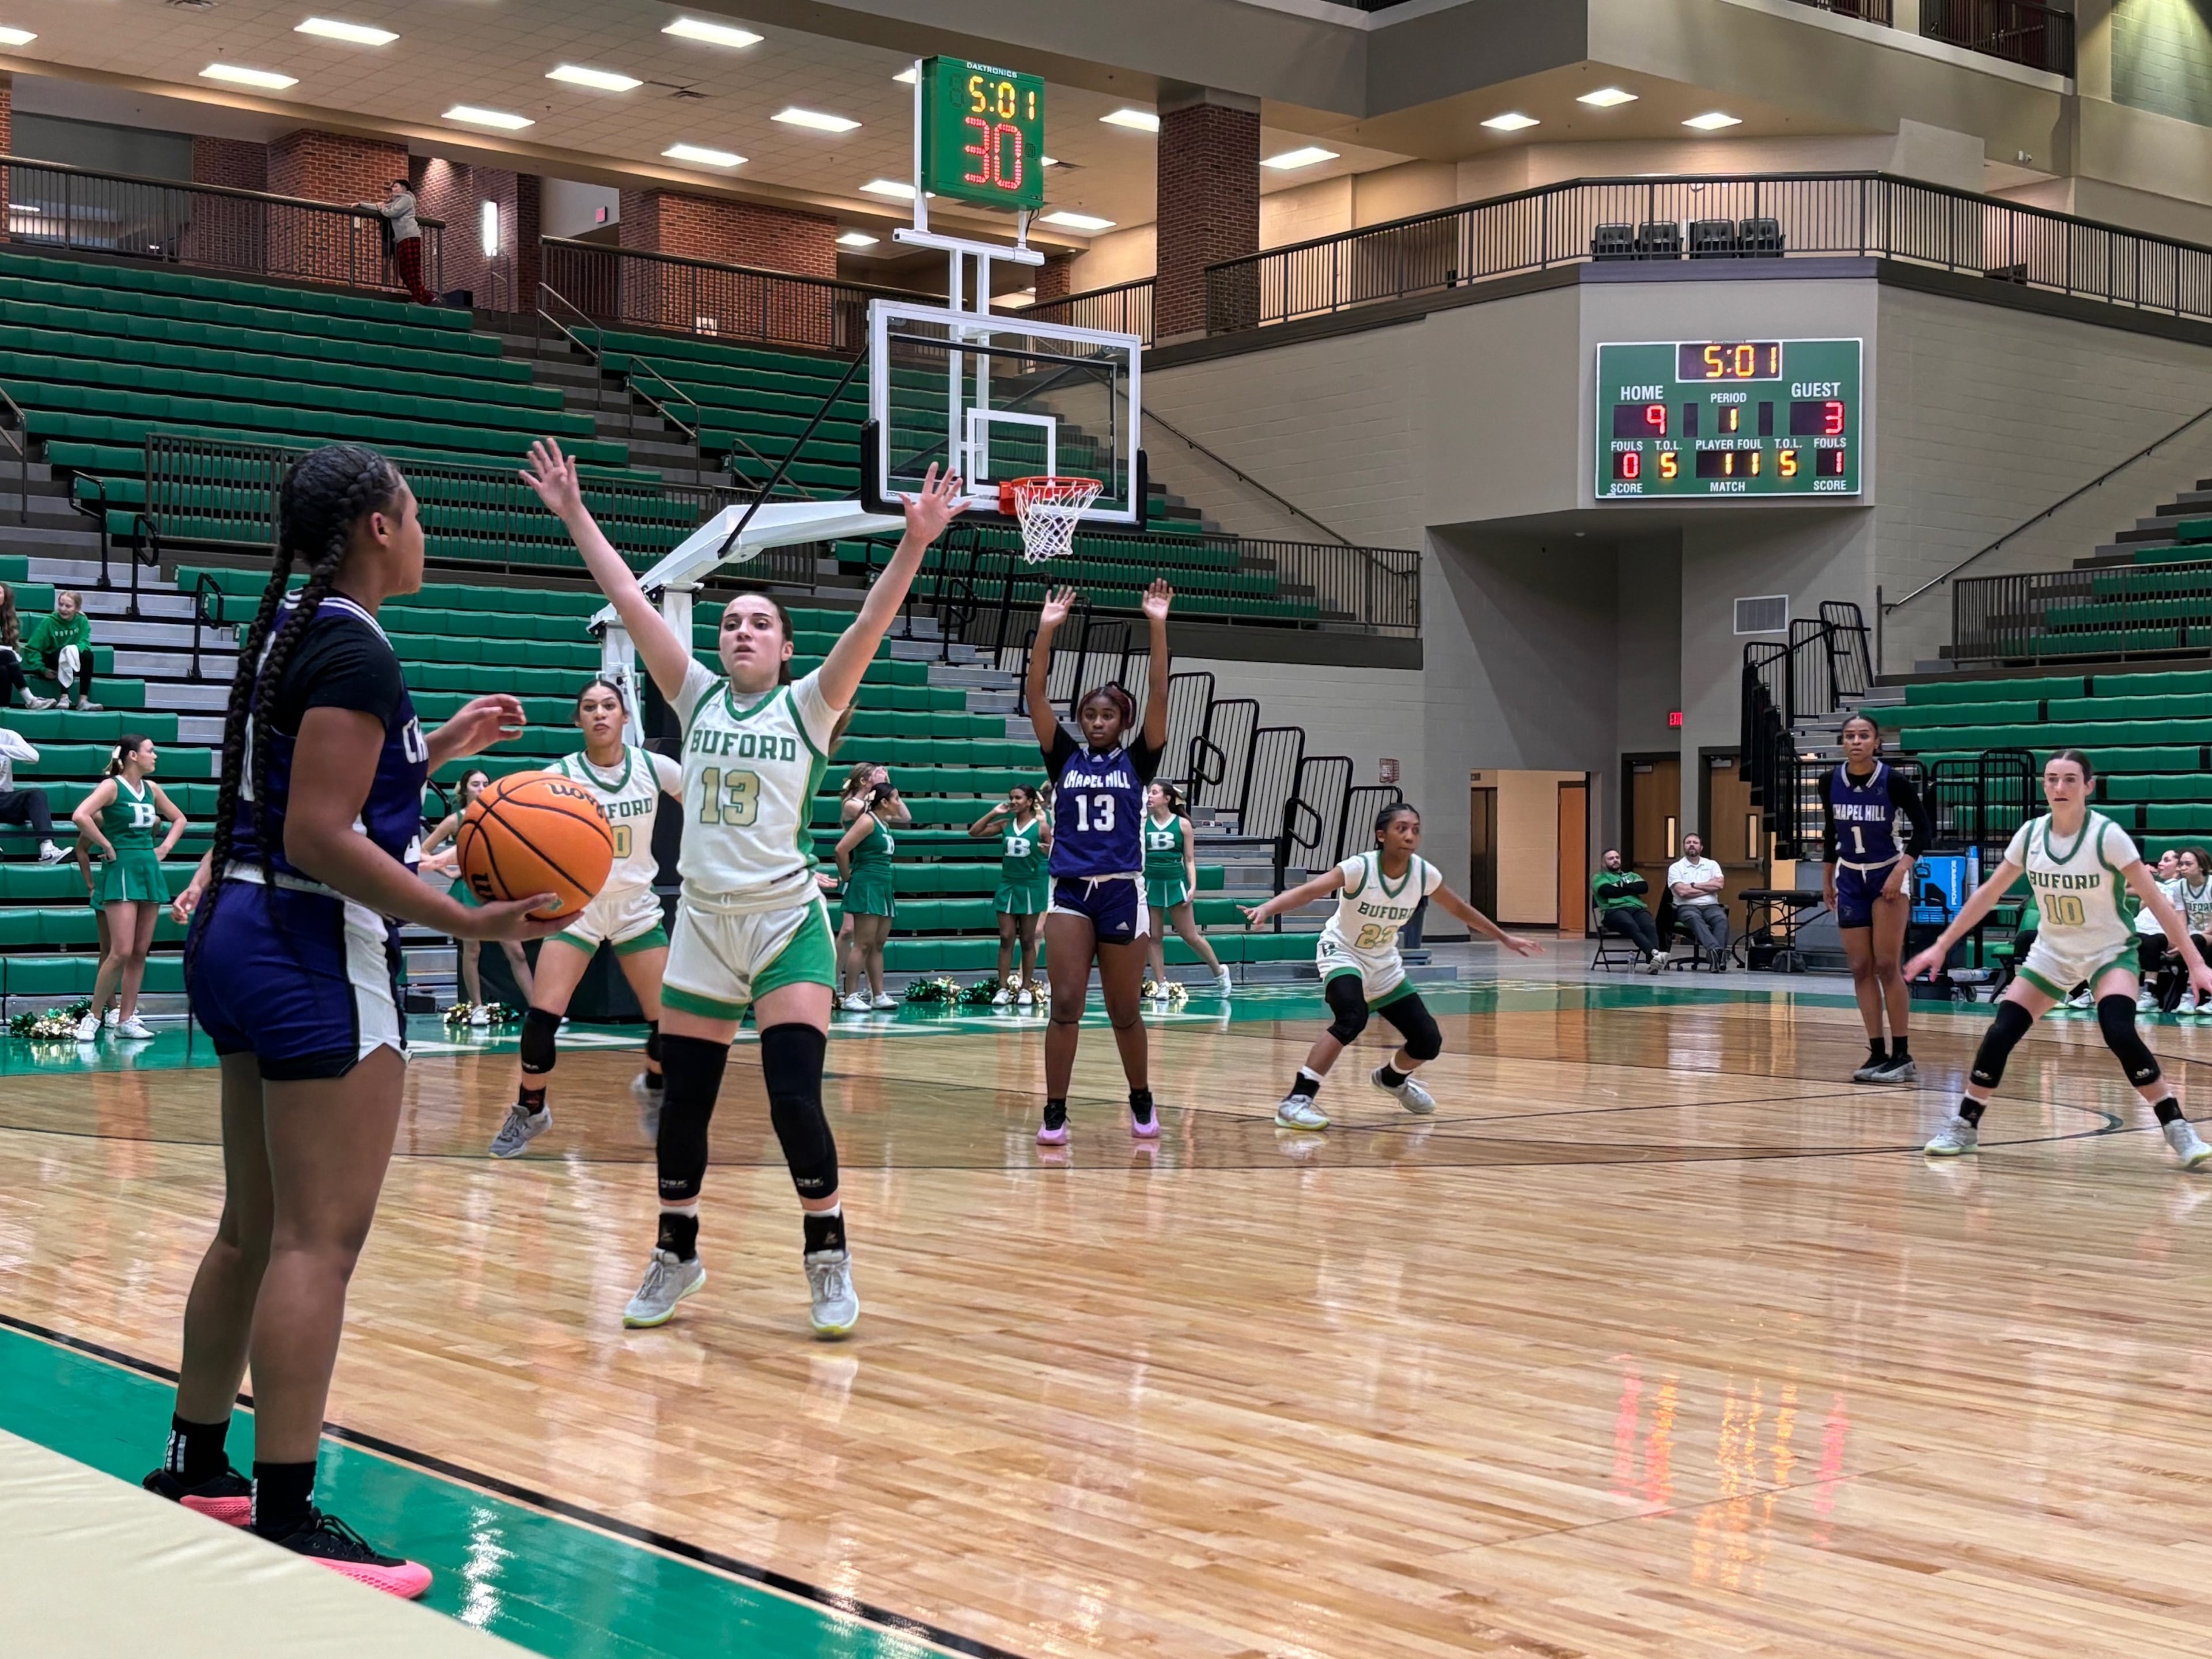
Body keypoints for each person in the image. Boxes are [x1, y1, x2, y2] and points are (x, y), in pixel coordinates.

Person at [141, 443, 547, 1596]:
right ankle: (286, 1510)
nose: (423, 531)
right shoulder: (352, 645)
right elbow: (324, 835)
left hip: (237, 930)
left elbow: (310, 788)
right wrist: (465, 926)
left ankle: (200, 1466)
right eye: (414, 513)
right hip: (308, 940)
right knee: (322, 1241)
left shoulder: (292, 624)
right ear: (377, 525)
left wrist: (443, 745)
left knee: (253, 1229)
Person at [524, 436, 965, 1334]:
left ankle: (828, 1253)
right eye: (731, 623)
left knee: (793, 1094)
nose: (741, 631)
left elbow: (870, 625)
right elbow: (625, 596)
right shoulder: (692, 697)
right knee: (684, 1102)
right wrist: (574, 513)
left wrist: (915, 541)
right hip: (705, 928)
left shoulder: (810, 704)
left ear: (786, 646)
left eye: (759, 622)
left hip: (783, 923)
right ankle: (676, 1253)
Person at [1908, 749, 2212, 1165]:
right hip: (2053, 953)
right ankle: (1964, 1126)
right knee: (2001, 1032)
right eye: (2052, 779)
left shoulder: (2106, 836)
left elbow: (2158, 902)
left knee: (2119, 1032)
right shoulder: (2032, 835)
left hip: (2109, 954)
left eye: (2070, 779)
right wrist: (1942, 944)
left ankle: (2179, 1130)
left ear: (2088, 786)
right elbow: (1988, 894)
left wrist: (2196, 963)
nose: (2059, 787)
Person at [1245, 802, 1539, 1130]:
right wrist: (1266, 909)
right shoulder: (1360, 868)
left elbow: (1461, 909)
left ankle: (1391, 1079)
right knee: (1352, 1018)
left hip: (1384, 962)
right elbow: (1309, 892)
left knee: (1428, 1041)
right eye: (1402, 828)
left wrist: (1504, 938)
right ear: (1381, 835)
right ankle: (1297, 1100)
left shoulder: (1424, 874)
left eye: (1415, 829)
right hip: (1342, 952)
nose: (1410, 835)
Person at [487, 679, 685, 1159]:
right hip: (578, 907)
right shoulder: (560, 776)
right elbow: (515, 830)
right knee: (541, 1019)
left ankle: (656, 1092)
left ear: (624, 717)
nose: (600, 714)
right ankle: (531, 1109)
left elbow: (706, 805)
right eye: (590, 707)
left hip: (637, 906)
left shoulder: (656, 768)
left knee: (668, 1025)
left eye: (609, 706)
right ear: (578, 720)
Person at [1027, 581, 1174, 1146]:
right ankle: (1055, 1108)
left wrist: (1157, 622)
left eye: (1107, 714)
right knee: (1065, 1004)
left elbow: (1160, 693)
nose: (1096, 720)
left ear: (1122, 720)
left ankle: (1140, 1096)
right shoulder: (1063, 757)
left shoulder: (1139, 761)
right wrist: (1047, 627)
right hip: (1069, 891)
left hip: (1122, 891)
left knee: (1122, 1011)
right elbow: (1036, 693)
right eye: (1089, 713)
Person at [1822, 714, 1935, 1084]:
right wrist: (1828, 878)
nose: (1856, 741)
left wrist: (1901, 871)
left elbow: (1924, 831)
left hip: (1888, 873)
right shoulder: (1829, 781)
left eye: (1863, 735)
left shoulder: (1894, 781)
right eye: (1849, 736)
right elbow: (1829, 833)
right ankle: (1877, 1051)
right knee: (1859, 967)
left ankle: (1902, 1053)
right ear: (1843, 743)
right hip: (1850, 876)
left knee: (1887, 964)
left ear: (1876, 743)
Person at [70, 734, 187, 1039]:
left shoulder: (152, 789)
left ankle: (126, 1019)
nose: (155, 756)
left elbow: (180, 819)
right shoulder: (112, 786)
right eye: (151, 751)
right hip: (120, 869)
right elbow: (80, 815)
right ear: (133, 755)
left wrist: (164, 849)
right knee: (119, 951)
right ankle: (94, 1017)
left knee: (139, 952)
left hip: (148, 868)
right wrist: (106, 843)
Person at [420, 767, 535, 1024]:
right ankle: (478, 1007)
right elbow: (424, 851)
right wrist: (449, 873)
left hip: (496, 890)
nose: (482, 788)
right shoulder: (455, 821)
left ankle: (539, 1011)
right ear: (464, 789)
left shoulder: (500, 816)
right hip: (468, 891)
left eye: (485, 783)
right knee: (472, 952)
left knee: (516, 952)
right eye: (475, 784)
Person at [1141, 780, 1230, 1001]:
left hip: (1175, 884)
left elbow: (1189, 859)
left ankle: (1220, 972)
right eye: (1148, 793)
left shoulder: (1182, 825)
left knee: (1190, 936)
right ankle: (1161, 983)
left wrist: (1192, 887)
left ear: (1167, 798)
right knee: (1154, 937)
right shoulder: (1143, 824)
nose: (1149, 797)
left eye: (1154, 792)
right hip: (1150, 883)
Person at [970, 783, 1051, 1006]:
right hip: (1008, 886)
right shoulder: (1005, 823)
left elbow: (1055, 853)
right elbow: (974, 832)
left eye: (1018, 798)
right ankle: (1003, 988)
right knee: (1006, 938)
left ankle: (1025, 988)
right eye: (1011, 798)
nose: (1013, 802)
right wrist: (994, 813)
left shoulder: (1041, 826)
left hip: (1031, 887)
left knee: (1027, 940)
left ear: (1030, 801)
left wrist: (1047, 851)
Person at [834, 776, 899, 1011]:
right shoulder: (867, 821)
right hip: (867, 884)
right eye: (896, 798)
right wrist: (847, 878)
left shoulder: (884, 823)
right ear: (883, 802)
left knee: (878, 943)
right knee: (862, 943)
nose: (899, 802)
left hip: (883, 884)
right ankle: (850, 995)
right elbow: (841, 850)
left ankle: (878, 994)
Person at [2144, 847, 2212, 1016]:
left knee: (2195, 941)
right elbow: (2181, 918)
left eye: (2188, 864)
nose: (2182, 867)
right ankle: (2149, 992)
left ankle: (2191, 995)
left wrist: (2186, 944)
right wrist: (2179, 941)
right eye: (2181, 864)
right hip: (2194, 934)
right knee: (2157, 940)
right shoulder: (2180, 887)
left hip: (2209, 933)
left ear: (2202, 867)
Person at [355, 178, 433, 306]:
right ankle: (425, 297)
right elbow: (379, 207)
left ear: (403, 188)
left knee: (412, 269)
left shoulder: (406, 199)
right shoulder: (395, 201)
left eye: (395, 187)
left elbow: (392, 213)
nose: (393, 189)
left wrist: (382, 209)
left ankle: (420, 298)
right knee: (405, 270)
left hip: (410, 236)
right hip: (403, 238)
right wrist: (360, 204)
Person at [1591, 849, 1664, 972]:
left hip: (1637, 909)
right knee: (1630, 924)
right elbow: (1607, 891)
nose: (1615, 860)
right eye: (1611, 858)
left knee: (1649, 924)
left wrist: (1620, 886)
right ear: (1604, 864)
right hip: (1613, 911)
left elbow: (1644, 887)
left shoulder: (1631, 875)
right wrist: (1632, 889)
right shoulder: (1599, 877)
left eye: (1617, 857)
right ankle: (1655, 954)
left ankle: (1653, 963)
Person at [23, 588, 97, 711]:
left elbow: (84, 641)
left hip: (73, 659)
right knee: (65, 652)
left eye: (68, 606)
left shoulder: (82, 621)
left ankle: (83, 701)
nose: (63, 609)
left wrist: (75, 650)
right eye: (61, 605)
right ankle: (64, 697)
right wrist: (42, 669)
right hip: (51, 660)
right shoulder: (49, 622)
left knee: (88, 655)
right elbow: (31, 648)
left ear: (77, 609)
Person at [0, 724, 64, 862]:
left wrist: (2, 749)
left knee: (36, 795)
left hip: (5, 800)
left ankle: (48, 850)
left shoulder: (6, 736)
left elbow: (33, 757)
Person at [1666, 832, 1730, 970]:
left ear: (1701, 847)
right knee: (1694, 918)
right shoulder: (1676, 868)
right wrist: (1708, 887)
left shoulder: (1712, 865)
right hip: (1686, 907)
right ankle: (1716, 952)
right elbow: (1682, 892)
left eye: (1695, 843)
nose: (1691, 845)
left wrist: (1693, 885)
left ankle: (1715, 957)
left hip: (1711, 906)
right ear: (1684, 847)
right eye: (1688, 842)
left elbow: (1719, 885)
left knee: (1721, 918)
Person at [2133, 848, 2183, 1014]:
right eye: (2161, 860)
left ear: (2179, 866)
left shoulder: (2183, 886)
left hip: (2162, 931)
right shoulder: (2154, 885)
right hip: (2139, 926)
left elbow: (2177, 910)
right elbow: (2120, 886)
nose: (2160, 864)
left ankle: (2149, 994)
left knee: (2151, 941)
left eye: (2167, 860)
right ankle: (2087, 991)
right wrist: (2141, 875)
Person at [0, 581, 55, 710]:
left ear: (5, 598)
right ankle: (31, 700)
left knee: (3, 670)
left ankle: (3, 709)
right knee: (8, 655)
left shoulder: (5, 619)